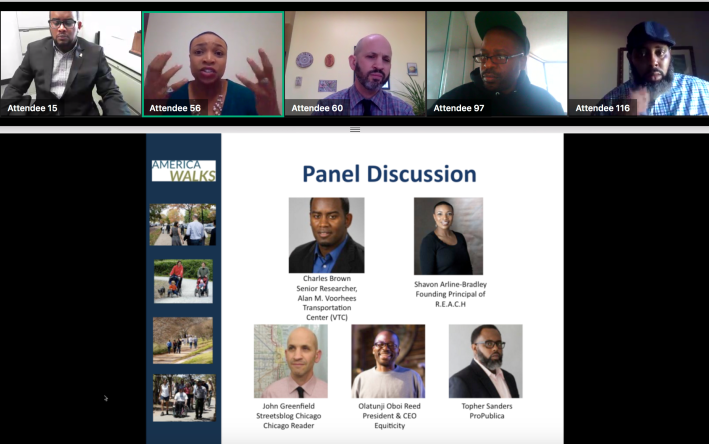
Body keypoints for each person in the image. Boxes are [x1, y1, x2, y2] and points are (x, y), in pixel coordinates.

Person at [429, 11, 564, 116]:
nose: (487, 65)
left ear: (522, 62)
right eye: (484, 55)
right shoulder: (457, 100)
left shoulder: (547, 106)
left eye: (500, 56)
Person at [1, 11, 130, 116]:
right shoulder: (34, 50)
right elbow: (15, 87)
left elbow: (110, 92)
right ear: (50, 25)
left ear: (78, 26)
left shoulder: (95, 53)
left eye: (68, 22)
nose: (61, 28)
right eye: (56, 22)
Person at [145, 31, 279, 116]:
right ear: (189, 58)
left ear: (226, 60)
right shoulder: (168, 98)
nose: (208, 59)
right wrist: (149, 110)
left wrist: (272, 113)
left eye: (219, 53)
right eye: (198, 52)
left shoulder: (249, 98)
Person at [594, 21, 709, 115]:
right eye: (642, 53)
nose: (653, 62)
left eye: (660, 52)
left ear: (670, 54)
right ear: (630, 58)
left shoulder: (703, 90)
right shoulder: (607, 105)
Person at [310, 34, 413, 116]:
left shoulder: (403, 111)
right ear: (353, 62)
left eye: (386, 60)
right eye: (371, 56)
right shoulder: (326, 108)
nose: (379, 66)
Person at [289, 198, 364, 273]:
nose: (323, 224)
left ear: (347, 220)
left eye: (332, 216)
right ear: (310, 218)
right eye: (317, 216)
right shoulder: (297, 256)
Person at [449, 325, 520, 398]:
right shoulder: (461, 381)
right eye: (489, 343)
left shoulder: (509, 378)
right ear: (474, 348)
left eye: (498, 343)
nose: (495, 348)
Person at [351, 330, 425, 398]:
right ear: (373, 350)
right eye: (380, 344)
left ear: (398, 351)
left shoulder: (413, 378)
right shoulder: (361, 380)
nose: (385, 348)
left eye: (391, 344)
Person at [262, 327, 328, 398]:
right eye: (292, 348)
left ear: (317, 356)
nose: (297, 356)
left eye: (305, 348)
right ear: (286, 355)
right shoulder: (270, 395)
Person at [419, 201, 473, 275]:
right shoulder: (429, 242)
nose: (445, 218)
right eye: (440, 214)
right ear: (434, 217)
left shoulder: (460, 237)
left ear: (453, 216)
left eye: (449, 214)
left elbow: (468, 268)